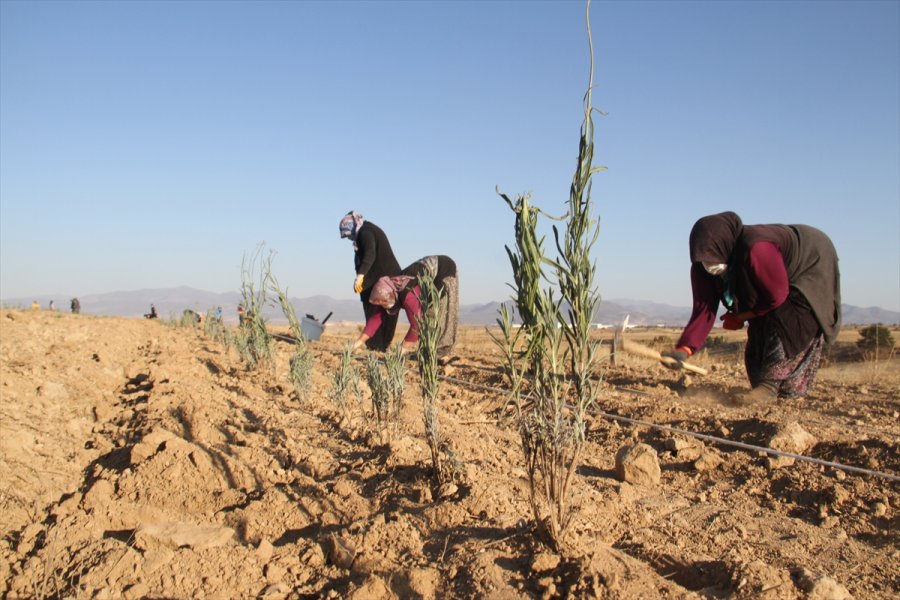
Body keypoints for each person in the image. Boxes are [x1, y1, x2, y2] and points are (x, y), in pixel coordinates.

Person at [662, 211, 841, 405]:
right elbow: (703, 310)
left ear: (726, 245)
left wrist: (740, 317)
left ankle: (770, 385)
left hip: (810, 261)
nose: (709, 264)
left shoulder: (757, 248)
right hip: (774, 287)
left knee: (789, 319)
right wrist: (684, 349)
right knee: (758, 339)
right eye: (705, 258)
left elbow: (777, 296)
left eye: (713, 257)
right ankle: (764, 386)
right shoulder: (701, 267)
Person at [351, 255, 459, 357]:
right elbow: (375, 319)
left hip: (444, 269)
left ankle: (442, 354)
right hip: (425, 272)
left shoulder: (406, 294)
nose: (386, 308)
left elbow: (417, 326)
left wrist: (400, 351)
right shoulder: (386, 291)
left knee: (441, 313)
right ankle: (429, 353)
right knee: (427, 315)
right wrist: (357, 344)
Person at [340, 211, 402, 351]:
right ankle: (379, 347)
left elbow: (370, 254)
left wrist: (360, 276)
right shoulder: (367, 230)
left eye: (348, 235)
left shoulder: (365, 232)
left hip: (382, 283)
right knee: (382, 314)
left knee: (379, 313)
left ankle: (377, 348)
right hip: (380, 281)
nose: (349, 239)